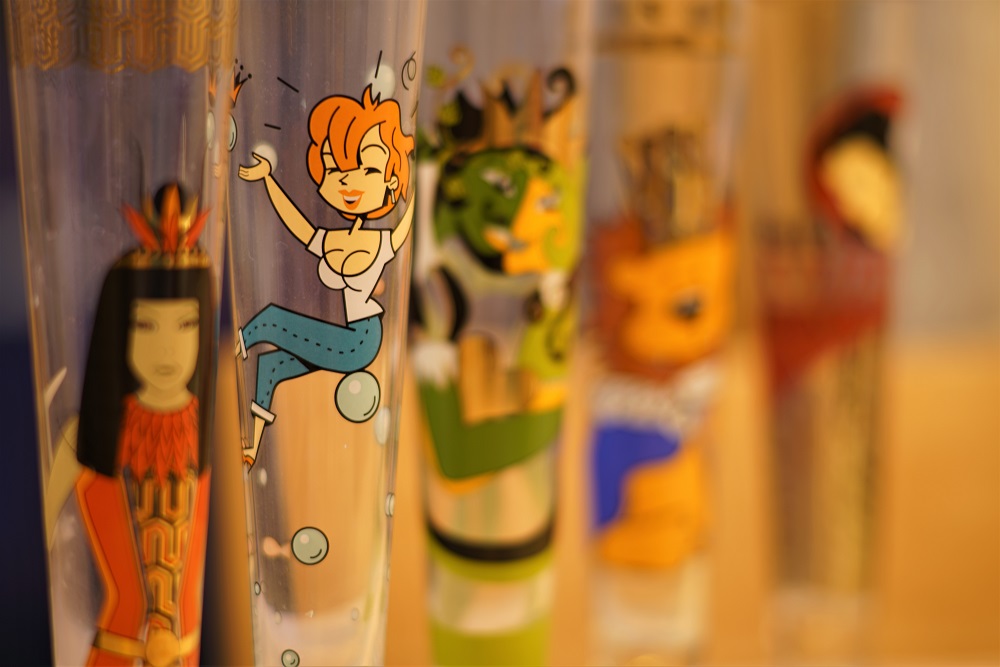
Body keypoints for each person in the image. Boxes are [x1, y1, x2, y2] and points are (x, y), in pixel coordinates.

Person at [74, 184, 215, 667]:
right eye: (146, 326)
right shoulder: (93, 465)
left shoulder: (200, 445)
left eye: (186, 325)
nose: (168, 350)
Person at [237, 84, 415, 466]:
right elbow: (296, 224)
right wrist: (268, 179)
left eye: (368, 168)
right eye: (334, 168)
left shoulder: (382, 240)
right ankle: (252, 447)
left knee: (271, 319)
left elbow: (407, 218)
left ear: (390, 179)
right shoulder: (332, 239)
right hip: (344, 338)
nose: (348, 181)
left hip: (361, 339)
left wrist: (409, 165)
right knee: (270, 367)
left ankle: (241, 342)